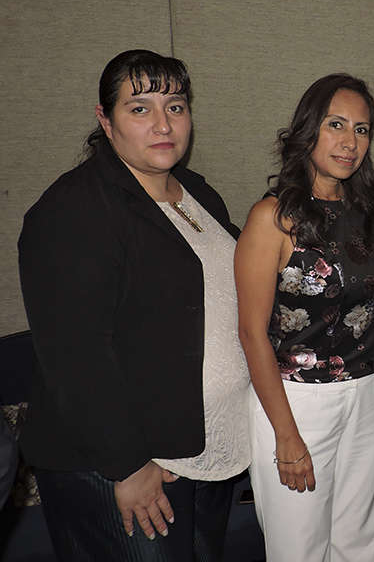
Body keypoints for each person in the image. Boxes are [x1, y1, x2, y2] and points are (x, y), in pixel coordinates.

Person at [17, 50, 251, 561]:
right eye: (140, 108)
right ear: (105, 118)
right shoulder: (72, 211)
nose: (163, 124)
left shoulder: (197, 195)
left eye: (176, 106)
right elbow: (76, 354)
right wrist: (128, 466)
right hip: (124, 465)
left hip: (203, 449)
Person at [234, 73, 374, 562]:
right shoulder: (272, 217)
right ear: (308, 131)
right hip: (297, 401)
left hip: (369, 391)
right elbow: (251, 333)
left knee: (361, 545)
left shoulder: (366, 213)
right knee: (299, 550)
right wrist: (286, 434)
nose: (350, 142)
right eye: (336, 125)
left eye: (362, 130)